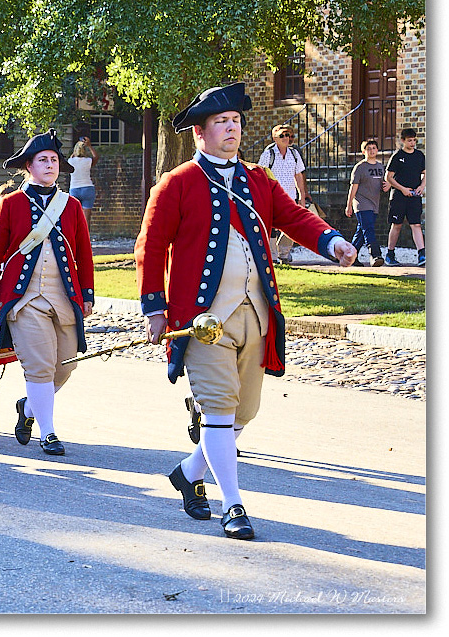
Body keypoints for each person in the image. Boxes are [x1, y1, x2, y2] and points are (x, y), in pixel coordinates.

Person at [135, 83, 356, 540]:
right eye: (221, 122)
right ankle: (232, 505)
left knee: (244, 412)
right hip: (201, 323)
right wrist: (154, 308)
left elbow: (294, 217)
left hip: (257, 314)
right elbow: (151, 247)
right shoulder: (176, 183)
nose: (231, 128)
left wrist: (330, 240)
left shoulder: (259, 179)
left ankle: (187, 471)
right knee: (217, 409)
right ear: (200, 133)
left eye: (235, 120)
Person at [0, 130, 94, 456]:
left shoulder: (70, 205)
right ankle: (49, 432)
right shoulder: (11, 203)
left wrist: (86, 293)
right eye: (43, 160)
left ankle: (29, 407)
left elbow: (84, 252)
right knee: (41, 367)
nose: (50, 165)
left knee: (65, 366)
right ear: (28, 166)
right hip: (24, 298)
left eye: (54, 160)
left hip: (63, 297)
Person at [257, 125, 307, 264]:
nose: (287, 138)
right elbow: (260, 175)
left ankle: (284, 253)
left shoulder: (295, 154)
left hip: (290, 196)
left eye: (289, 135)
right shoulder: (268, 154)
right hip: (272, 196)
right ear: (275, 138)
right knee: (271, 226)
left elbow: (298, 175)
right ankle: (272, 256)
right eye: (283, 135)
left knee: (291, 225)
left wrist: (302, 196)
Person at [384, 128, 425, 266]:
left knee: (416, 224)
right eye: (409, 141)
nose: (412, 143)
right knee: (397, 225)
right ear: (403, 141)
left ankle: (421, 255)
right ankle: (390, 254)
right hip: (399, 197)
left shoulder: (420, 156)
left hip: (414, 196)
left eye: (414, 140)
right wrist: (402, 189)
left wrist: (421, 186)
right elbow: (388, 177)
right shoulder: (397, 156)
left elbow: (426, 173)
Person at [345, 139, 388, 267]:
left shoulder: (380, 167)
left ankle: (349, 256)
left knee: (362, 231)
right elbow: (353, 188)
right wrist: (349, 205)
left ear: (377, 150)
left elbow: (385, 184)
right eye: (368, 149)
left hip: (374, 204)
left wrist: (388, 185)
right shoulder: (360, 167)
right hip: (361, 203)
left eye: (374, 148)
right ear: (363, 151)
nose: (372, 150)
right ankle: (375, 255)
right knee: (368, 229)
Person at [68, 136, 99, 234]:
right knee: (86, 218)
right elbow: (96, 157)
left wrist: (77, 147)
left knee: (74, 216)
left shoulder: (70, 161)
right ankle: (86, 238)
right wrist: (89, 146)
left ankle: (75, 236)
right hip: (87, 188)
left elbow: (72, 156)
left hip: (74, 189)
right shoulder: (88, 161)